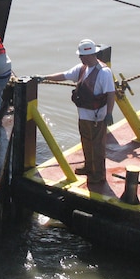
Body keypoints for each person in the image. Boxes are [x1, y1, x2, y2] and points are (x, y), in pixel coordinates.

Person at [35, 39, 116, 188]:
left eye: (82, 56)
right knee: (86, 141)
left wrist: (109, 113)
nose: (80, 58)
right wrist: (44, 77)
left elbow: (111, 94)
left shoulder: (104, 72)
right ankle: (88, 167)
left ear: (90, 55)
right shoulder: (82, 69)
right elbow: (64, 75)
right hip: (84, 115)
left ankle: (98, 174)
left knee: (97, 145)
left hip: (97, 116)